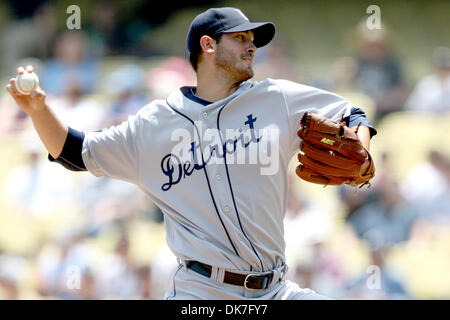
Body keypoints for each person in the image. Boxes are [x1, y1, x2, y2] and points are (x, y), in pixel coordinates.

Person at [5, 7, 376, 300]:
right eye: (241, 38)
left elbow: (352, 114)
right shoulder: (155, 124)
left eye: (253, 40)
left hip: (277, 289)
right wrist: (38, 111)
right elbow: (74, 152)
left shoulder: (275, 97)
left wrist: (361, 144)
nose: (252, 46)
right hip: (202, 292)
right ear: (208, 45)